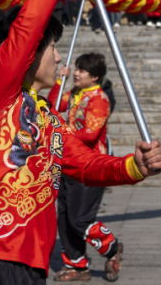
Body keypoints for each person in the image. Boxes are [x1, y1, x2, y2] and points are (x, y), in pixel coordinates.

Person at [0, 0, 161, 284]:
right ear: (27, 53)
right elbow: (28, 27)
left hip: (32, 262)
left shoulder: (47, 117)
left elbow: (84, 164)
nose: (58, 58)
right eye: (52, 48)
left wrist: (134, 167)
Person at [46, 53, 125, 282]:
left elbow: (89, 135)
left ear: (95, 77)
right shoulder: (74, 95)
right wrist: (60, 81)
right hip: (67, 163)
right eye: (77, 69)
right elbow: (54, 103)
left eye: (81, 70)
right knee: (64, 217)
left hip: (91, 166)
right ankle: (77, 265)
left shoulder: (99, 100)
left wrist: (61, 133)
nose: (76, 73)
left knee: (80, 218)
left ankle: (111, 247)